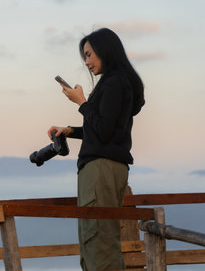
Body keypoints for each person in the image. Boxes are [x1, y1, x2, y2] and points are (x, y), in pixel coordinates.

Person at [48, 28, 145, 271]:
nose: (87, 62)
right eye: (85, 56)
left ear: (106, 51)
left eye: (90, 55)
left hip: (100, 169)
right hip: (108, 167)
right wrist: (70, 130)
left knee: (98, 239)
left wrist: (82, 102)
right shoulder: (120, 81)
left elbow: (102, 131)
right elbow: (107, 130)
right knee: (99, 238)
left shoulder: (114, 82)